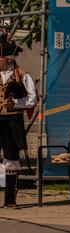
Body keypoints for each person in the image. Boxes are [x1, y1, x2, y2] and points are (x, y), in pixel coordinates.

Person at [0, 35, 37, 208]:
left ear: (8, 59)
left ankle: (9, 199)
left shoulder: (22, 76)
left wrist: (14, 103)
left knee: (11, 159)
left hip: (12, 121)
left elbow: (32, 99)